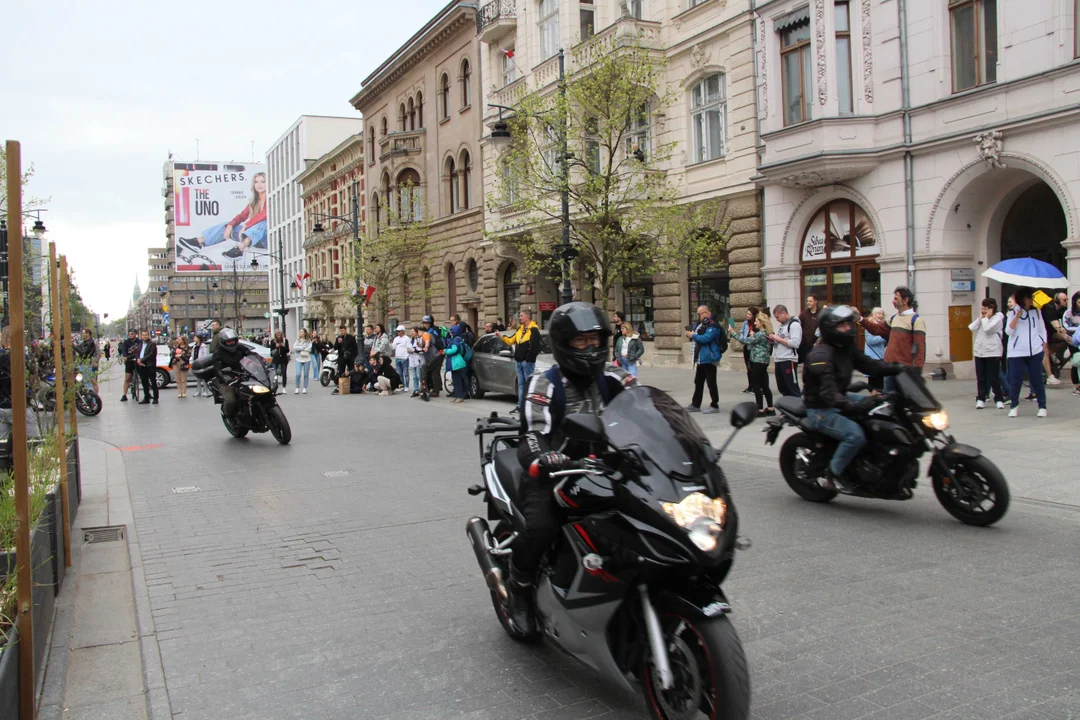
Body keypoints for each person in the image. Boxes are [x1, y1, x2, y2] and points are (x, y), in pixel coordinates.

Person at [509, 303, 636, 633]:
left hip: (608, 470)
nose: (591, 347)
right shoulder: (544, 383)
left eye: (595, 339)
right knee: (540, 529)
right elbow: (533, 432)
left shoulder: (615, 376)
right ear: (564, 343)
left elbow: (647, 407)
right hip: (558, 474)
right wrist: (544, 458)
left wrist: (681, 438)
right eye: (581, 341)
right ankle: (518, 592)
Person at [802, 306, 903, 490]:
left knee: (882, 410)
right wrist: (854, 405)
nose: (848, 328)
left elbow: (868, 365)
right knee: (855, 435)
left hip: (840, 397)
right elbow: (828, 393)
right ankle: (833, 475)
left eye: (849, 323)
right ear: (830, 328)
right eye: (842, 325)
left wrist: (898, 369)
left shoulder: (845, 347)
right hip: (821, 408)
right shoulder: (820, 355)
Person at [177, 172, 268, 260]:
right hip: (253, 238)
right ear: (253, 184)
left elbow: (264, 214)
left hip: (267, 239)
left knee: (264, 222)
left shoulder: (272, 198)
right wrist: (230, 225)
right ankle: (198, 242)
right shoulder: (253, 203)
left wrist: (246, 225)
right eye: (256, 182)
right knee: (228, 225)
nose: (259, 184)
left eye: (263, 181)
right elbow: (241, 216)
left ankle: (240, 249)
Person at [854, 286, 926, 392]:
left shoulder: (916, 320)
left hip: (905, 371)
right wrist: (860, 319)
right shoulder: (893, 318)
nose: (893, 301)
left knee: (904, 402)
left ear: (905, 300)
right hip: (889, 368)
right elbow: (876, 329)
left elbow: (920, 348)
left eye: (896, 298)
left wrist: (917, 371)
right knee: (890, 400)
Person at [1005, 287, 1048, 418]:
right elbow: (1008, 331)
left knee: (1037, 379)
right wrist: (1017, 316)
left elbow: (1042, 330)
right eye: (1028, 298)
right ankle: (1014, 405)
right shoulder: (1013, 312)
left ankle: (1042, 406)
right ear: (1022, 299)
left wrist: (1042, 343)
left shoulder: (1037, 312)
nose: (1031, 300)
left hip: (1035, 350)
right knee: (1016, 380)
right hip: (1017, 352)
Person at [0, 326, 40, 440]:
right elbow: (34, 382)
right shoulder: (25, 358)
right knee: (33, 441)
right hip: (21, 406)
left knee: (2, 444)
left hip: (1, 407)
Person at [685, 304, 725, 414]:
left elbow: (706, 339)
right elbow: (699, 336)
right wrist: (691, 335)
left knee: (711, 382)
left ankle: (714, 404)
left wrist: (693, 335)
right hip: (701, 358)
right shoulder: (702, 324)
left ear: (707, 313)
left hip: (710, 357)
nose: (699, 316)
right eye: (698, 314)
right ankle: (695, 404)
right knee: (698, 382)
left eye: (700, 314)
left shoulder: (713, 325)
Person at [500, 309, 542, 414]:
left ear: (527, 317)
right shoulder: (520, 329)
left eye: (521, 315)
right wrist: (501, 336)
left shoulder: (534, 329)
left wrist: (527, 359)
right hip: (519, 362)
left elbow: (535, 347)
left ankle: (529, 406)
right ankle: (521, 406)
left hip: (526, 362)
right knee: (521, 385)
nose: (520, 317)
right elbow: (511, 340)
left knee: (528, 384)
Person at [212, 328, 258, 417]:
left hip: (244, 375)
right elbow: (217, 369)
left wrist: (262, 364)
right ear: (223, 342)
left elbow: (251, 355)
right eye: (229, 341)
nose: (232, 343)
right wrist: (224, 377)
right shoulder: (218, 353)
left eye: (233, 340)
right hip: (228, 380)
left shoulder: (240, 347)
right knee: (231, 400)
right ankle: (228, 415)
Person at [969, 298, 1005, 409]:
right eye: (982, 308)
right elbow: (971, 327)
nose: (983, 311)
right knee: (981, 377)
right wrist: (981, 317)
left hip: (992, 351)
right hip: (979, 351)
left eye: (986, 309)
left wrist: (987, 318)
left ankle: (999, 398)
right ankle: (981, 398)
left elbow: (988, 328)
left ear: (992, 309)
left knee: (993, 376)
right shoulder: (983, 318)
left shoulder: (998, 317)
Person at [769, 304, 802, 398]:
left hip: (788, 359)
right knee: (782, 387)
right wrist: (773, 340)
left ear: (784, 313)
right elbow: (781, 339)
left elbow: (796, 343)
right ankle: (788, 407)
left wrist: (778, 339)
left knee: (791, 386)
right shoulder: (782, 325)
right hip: (779, 358)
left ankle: (797, 408)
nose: (776, 319)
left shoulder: (794, 324)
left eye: (777, 317)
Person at [745, 313, 775, 415]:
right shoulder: (766, 333)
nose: (755, 323)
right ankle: (771, 408)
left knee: (756, 385)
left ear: (761, 323)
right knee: (765, 385)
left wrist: (733, 333)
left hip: (758, 361)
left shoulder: (760, 334)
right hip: (764, 361)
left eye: (757, 321)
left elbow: (745, 341)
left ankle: (760, 409)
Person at [1041, 291, 1069, 385]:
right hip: (1042, 332)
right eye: (1064, 300)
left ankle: (1053, 354)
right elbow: (1056, 325)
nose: (1067, 302)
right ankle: (1050, 376)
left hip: (1050, 332)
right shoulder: (1050, 308)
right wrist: (1060, 329)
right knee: (1045, 351)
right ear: (1057, 301)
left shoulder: (1062, 310)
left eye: (1067, 300)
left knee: (1065, 339)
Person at [418, 316, 445, 401]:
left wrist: (425, 346)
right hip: (434, 356)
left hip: (436, 355)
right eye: (424, 323)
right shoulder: (427, 332)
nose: (425, 324)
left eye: (427, 323)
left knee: (433, 372)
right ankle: (434, 389)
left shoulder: (430, 332)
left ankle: (435, 390)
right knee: (433, 372)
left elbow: (427, 341)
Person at [862, 307, 887, 392]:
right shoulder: (870, 326)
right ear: (873, 315)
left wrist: (886, 339)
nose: (881, 316)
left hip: (880, 357)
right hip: (872, 358)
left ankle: (876, 399)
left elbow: (883, 344)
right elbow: (870, 341)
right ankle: (873, 400)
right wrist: (883, 337)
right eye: (879, 314)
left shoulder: (882, 326)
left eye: (882, 314)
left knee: (880, 381)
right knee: (874, 382)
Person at [444, 324, 470, 403]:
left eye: (452, 332)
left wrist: (445, 351)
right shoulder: (458, 338)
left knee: (457, 380)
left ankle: (459, 397)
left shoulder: (455, 340)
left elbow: (455, 350)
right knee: (457, 380)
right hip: (458, 362)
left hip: (456, 363)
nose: (450, 333)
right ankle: (459, 396)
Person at [135, 330, 159, 405]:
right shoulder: (140, 344)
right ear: (141, 336)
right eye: (143, 335)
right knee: (144, 382)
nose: (144, 336)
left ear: (148, 335)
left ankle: (155, 398)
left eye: (146, 335)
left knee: (153, 381)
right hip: (142, 365)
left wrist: (142, 360)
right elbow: (137, 353)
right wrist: (138, 360)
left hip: (150, 365)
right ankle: (146, 398)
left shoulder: (152, 344)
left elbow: (151, 354)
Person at [332, 325, 358, 394]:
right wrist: (338, 342)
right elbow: (335, 347)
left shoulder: (351, 338)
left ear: (346, 330)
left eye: (343, 330)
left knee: (351, 371)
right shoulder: (339, 338)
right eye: (340, 331)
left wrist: (354, 356)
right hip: (341, 357)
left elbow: (355, 348)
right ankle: (339, 386)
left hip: (349, 357)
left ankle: (352, 386)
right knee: (340, 372)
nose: (341, 332)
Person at [736, 308, 756, 393]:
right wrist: (743, 338)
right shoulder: (745, 323)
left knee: (754, 368)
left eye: (749, 314)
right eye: (747, 314)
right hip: (746, 346)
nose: (747, 315)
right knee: (749, 368)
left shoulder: (757, 324)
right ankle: (750, 386)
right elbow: (742, 332)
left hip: (754, 348)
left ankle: (756, 387)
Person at [74, 328, 100, 395]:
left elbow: (98, 353)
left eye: (83, 333)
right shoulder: (83, 342)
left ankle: (96, 396)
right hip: (84, 364)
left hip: (92, 363)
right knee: (84, 381)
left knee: (93, 381)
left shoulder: (93, 342)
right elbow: (79, 350)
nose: (82, 334)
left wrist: (96, 361)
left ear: (88, 334)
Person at [798, 294, 821, 365]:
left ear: (815, 302)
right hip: (806, 346)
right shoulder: (803, 314)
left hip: (818, 345)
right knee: (808, 365)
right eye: (807, 301)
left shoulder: (821, 313)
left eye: (810, 301)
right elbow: (799, 328)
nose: (808, 303)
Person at [119, 329, 139, 401]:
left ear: (135, 334)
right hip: (129, 360)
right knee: (127, 378)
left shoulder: (139, 342)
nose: (131, 335)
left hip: (137, 360)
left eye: (132, 333)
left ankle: (147, 393)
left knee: (143, 376)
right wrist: (124, 356)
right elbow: (124, 350)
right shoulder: (126, 342)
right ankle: (124, 395)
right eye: (129, 334)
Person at [191, 333, 212, 397]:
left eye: (195, 338)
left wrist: (203, 362)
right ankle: (198, 391)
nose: (194, 339)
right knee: (198, 379)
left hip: (202, 364)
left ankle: (206, 391)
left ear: (199, 339)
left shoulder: (203, 346)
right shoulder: (194, 346)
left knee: (204, 378)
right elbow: (193, 355)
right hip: (196, 363)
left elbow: (205, 355)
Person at [293, 328, 313, 394]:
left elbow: (309, 349)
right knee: (298, 374)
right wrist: (302, 347)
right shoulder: (298, 340)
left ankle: (305, 388)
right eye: (300, 332)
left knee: (306, 374)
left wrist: (301, 348)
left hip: (307, 359)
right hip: (298, 358)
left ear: (304, 333)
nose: (300, 333)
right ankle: (297, 387)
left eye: (301, 332)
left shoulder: (308, 341)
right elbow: (295, 348)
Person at [391, 325, 411, 391]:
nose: (398, 332)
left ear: (403, 331)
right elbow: (393, 347)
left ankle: (407, 386)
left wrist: (406, 357)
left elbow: (409, 348)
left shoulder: (407, 338)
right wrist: (391, 343)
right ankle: (401, 385)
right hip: (397, 357)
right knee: (399, 373)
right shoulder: (396, 339)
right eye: (397, 331)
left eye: (399, 331)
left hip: (404, 358)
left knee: (405, 373)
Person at [408, 327, 424, 396]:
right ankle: (415, 390)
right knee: (414, 376)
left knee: (418, 376)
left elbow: (421, 350)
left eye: (413, 331)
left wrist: (414, 350)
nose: (411, 333)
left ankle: (422, 388)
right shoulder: (410, 340)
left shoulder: (419, 339)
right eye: (411, 331)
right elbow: (408, 348)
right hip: (411, 360)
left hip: (418, 359)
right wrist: (408, 350)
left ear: (416, 332)